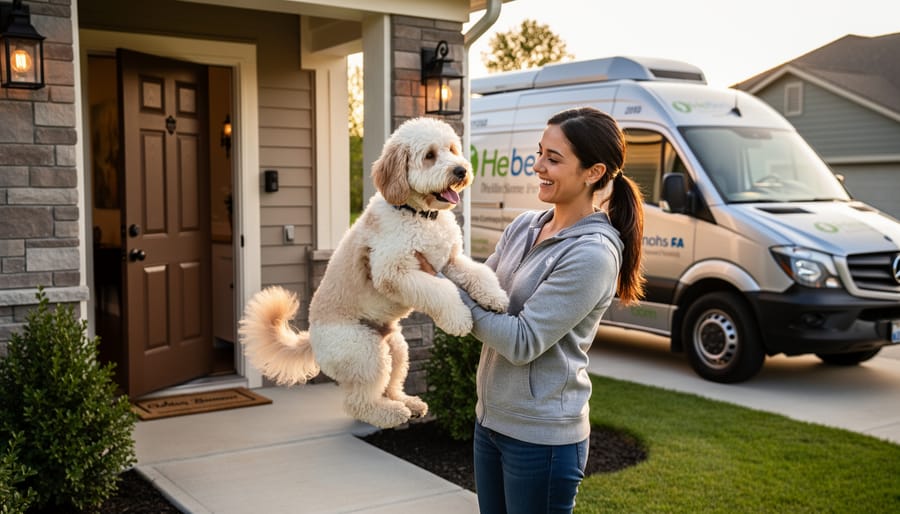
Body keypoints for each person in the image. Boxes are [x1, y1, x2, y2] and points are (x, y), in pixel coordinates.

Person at [420, 106, 645, 513]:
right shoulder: (524, 225)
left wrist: (441, 291)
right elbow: (476, 284)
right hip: (490, 422)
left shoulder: (592, 254)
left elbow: (522, 342)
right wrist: (428, 271)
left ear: (593, 172)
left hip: (542, 440)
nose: (537, 165)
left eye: (553, 159)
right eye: (540, 152)